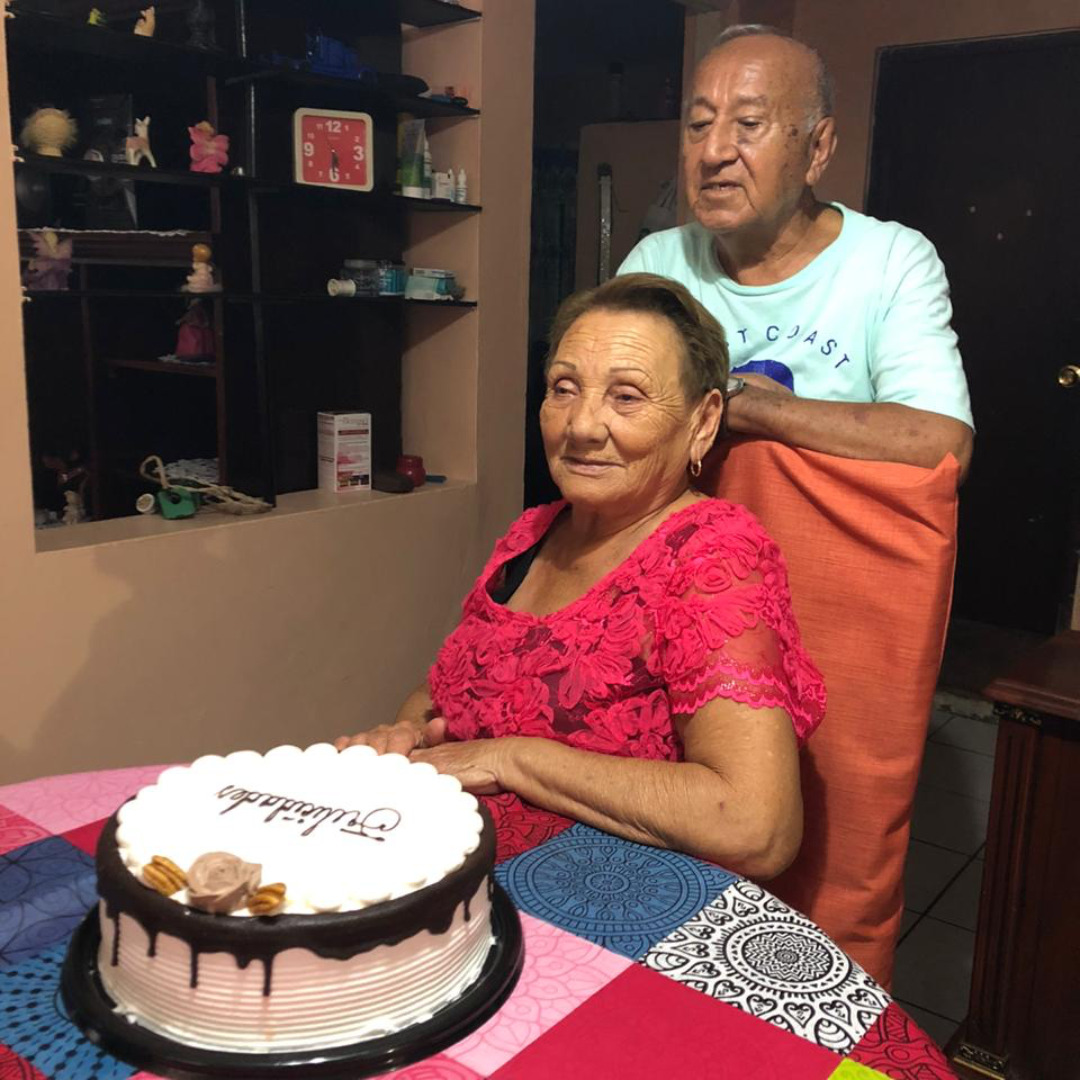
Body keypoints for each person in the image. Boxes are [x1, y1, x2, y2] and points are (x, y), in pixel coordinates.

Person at [337, 274, 825, 880]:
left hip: (601, 899)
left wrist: (510, 760)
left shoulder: (712, 557)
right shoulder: (535, 532)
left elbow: (756, 824)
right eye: (563, 389)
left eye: (627, 397)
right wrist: (407, 734)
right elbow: (450, 685)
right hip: (456, 866)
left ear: (702, 422)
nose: (582, 426)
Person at [618, 25, 974, 480]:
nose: (712, 152)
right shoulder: (658, 263)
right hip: (688, 527)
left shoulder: (889, 260)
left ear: (817, 149)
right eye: (699, 125)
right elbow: (611, 416)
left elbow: (942, 446)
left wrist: (743, 403)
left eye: (749, 124)